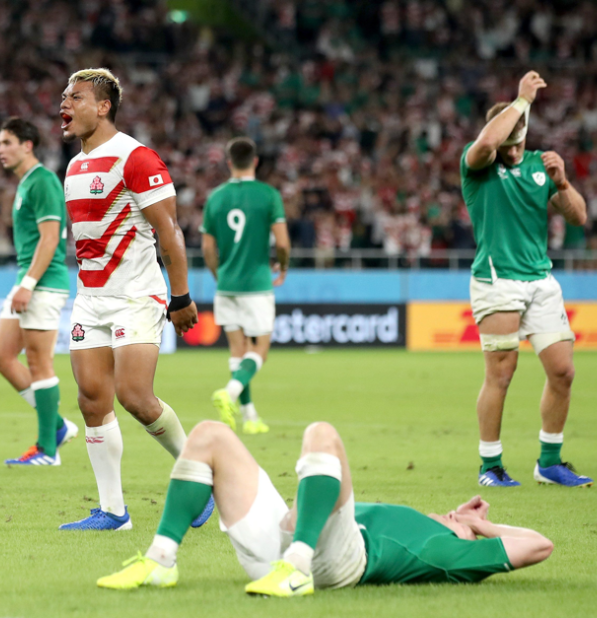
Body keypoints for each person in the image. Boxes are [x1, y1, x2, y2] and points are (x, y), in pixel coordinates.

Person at [97, 420, 554, 596]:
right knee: (209, 434)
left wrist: (481, 526)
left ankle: (296, 568)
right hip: (280, 548)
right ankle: (160, 559)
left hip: (333, 565)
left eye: (463, 521)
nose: (457, 513)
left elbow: (539, 546)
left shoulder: (455, 555)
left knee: (323, 434)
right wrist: (463, 518)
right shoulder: (423, 526)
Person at [57, 68, 207, 530]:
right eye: (63, 96)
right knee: (91, 400)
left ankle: (200, 476)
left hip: (136, 295)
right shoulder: (74, 165)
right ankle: (113, 511)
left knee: (135, 397)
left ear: (103, 107)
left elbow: (170, 230)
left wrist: (180, 295)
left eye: (75, 97)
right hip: (91, 299)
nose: (64, 105)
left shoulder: (136, 157)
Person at [461, 71, 592, 488]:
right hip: (497, 280)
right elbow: (485, 143)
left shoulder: (540, 165)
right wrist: (522, 99)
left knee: (563, 371)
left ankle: (549, 462)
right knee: (501, 373)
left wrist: (564, 183)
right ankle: (490, 466)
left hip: (540, 281)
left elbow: (579, 217)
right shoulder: (479, 164)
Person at [0, 117, 78, 466]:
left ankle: (47, 450)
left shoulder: (42, 182)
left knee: (40, 363)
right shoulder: (27, 183)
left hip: (42, 283)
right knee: (1, 355)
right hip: (27, 280)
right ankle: (55, 426)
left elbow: (51, 238)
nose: (0, 150)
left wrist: (28, 284)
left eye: (6, 143)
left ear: (27, 145)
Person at [201, 137, 290, 434]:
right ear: (255, 162)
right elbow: (283, 242)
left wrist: (219, 274)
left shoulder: (215, 197)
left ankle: (250, 418)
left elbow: (207, 248)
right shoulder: (268, 195)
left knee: (238, 350)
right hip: (257, 284)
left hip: (226, 284)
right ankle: (230, 392)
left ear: (229, 163)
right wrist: (283, 264)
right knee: (259, 350)